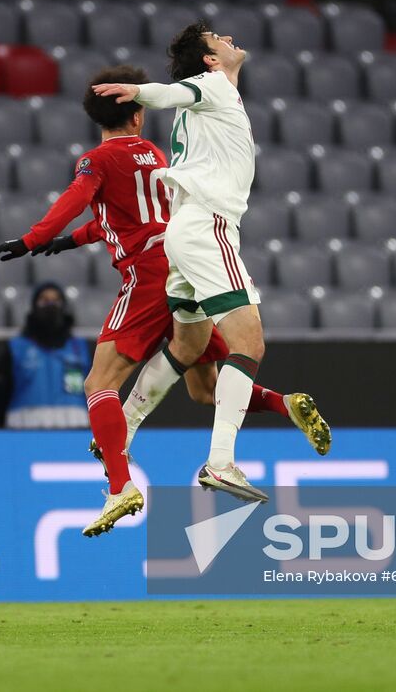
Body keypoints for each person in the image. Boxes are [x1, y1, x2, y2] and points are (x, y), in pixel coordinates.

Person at [0, 63, 329, 533]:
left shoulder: (97, 160)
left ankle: (120, 487)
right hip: (185, 264)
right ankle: (283, 403)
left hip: (146, 276)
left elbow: (77, 198)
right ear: (138, 115)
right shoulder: (154, 155)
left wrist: (33, 238)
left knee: (99, 383)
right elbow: (127, 215)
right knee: (204, 387)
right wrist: (69, 242)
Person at [88, 30, 293, 506]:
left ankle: (123, 432)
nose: (228, 38)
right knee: (249, 343)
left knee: (188, 344)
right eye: (217, 38)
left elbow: (180, 96)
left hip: (182, 233)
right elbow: (173, 91)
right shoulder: (214, 85)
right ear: (209, 59)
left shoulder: (204, 108)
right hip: (207, 227)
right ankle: (221, 462)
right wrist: (139, 93)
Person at [0, 283, 92, 429]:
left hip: (76, 432)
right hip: (25, 431)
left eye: (56, 300)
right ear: (34, 306)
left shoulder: (81, 348)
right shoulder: (16, 348)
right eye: (44, 300)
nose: (50, 305)